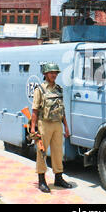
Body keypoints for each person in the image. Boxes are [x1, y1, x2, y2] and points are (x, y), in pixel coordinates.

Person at [30, 63, 72, 193]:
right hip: (44, 124)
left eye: (55, 73)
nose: (54, 75)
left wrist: (66, 126)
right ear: (45, 74)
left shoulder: (59, 89)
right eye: (51, 72)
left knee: (58, 152)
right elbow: (35, 110)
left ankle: (58, 177)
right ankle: (42, 180)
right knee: (42, 152)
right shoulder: (40, 90)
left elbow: (62, 110)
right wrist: (33, 128)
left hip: (57, 124)